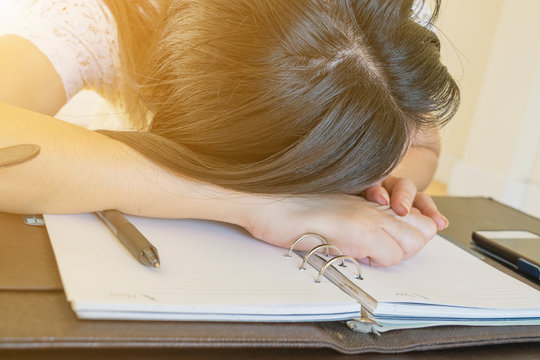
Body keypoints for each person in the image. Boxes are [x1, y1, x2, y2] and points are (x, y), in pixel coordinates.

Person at [0, 0, 459, 267]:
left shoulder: (383, 24)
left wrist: (374, 174)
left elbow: (421, 147)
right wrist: (258, 205)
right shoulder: (99, 17)